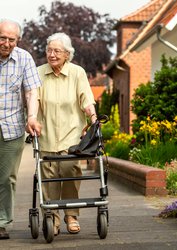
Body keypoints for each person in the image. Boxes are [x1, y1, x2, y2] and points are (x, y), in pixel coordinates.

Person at [37, 32, 97, 236]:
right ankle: (52, 218)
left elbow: (86, 99)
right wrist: (31, 119)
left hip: (71, 138)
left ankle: (71, 215)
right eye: (49, 50)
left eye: (56, 51)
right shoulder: (38, 73)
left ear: (67, 54)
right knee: (49, 178)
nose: (52, 54)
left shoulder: (77, 73)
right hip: (46, 136)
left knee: (71, 172)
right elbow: (33, 101)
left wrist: (93, 116)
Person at [0, 19, 42, 239]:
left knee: (7, 177)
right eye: (2, 38)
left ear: (17, 40)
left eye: (11, 39)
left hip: (11, 127)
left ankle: (1, 222)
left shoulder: (24, 58)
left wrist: (32, 117)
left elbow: (32, 91)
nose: (6, 43)